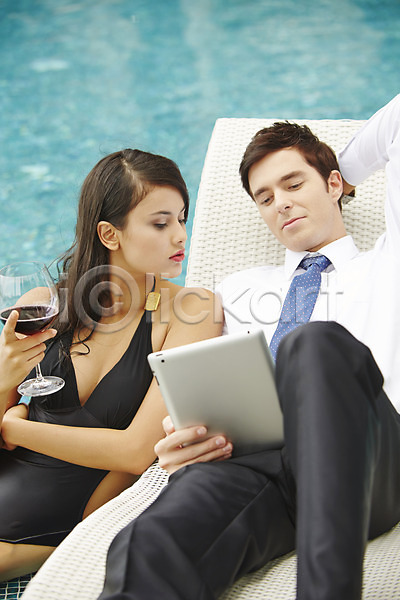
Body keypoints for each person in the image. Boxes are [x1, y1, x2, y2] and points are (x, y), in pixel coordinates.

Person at [98, 94, 400, 600]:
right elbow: (204, 386)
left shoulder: (388, 264)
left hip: (368, 460)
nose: (280, 203)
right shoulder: (237, 289)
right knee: (151, 540)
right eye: (264, 197)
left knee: (313, 345)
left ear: (332, 186)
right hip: (253, 469)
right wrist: (181, 438)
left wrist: (343, 171)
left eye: (294, 184)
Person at [0, 149, 222, 581]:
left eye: (182, 219)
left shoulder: (192, 310)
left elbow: (137, 453)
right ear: (109, 234)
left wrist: (15, 428)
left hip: (63, 528)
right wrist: (2, 380)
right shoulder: (43, 306)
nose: (180, 236)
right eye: (161, 224)